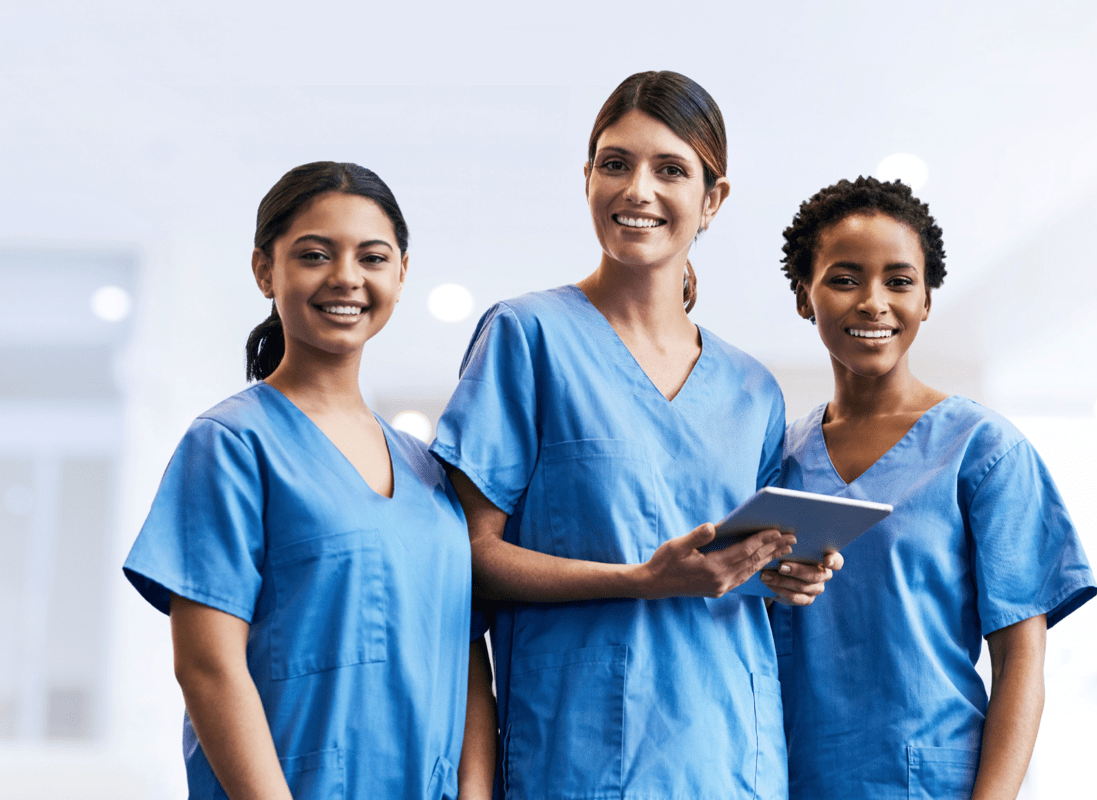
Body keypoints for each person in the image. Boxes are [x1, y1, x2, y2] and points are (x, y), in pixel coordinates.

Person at [430, 71, 839, 800]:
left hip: (731, 759)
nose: (637, 190)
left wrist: (786, 573)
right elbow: (463, 559)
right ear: (586, 177)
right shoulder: (528, 338)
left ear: (712, 200)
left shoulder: (753, 390)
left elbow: (749, 572)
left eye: (671, 169)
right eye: (615, 164)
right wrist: (640, 581)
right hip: (577, 759)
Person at [123, 161, 496, 800]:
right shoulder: (231, 445)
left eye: (372, 257)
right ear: (266, 270)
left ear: (401, 274)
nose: (346, 278)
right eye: (316, 255)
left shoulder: (429, 473)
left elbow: (463, 660)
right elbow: (208, 667)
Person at [768, 176, 1097, 800]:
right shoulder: (781, 457)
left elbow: (1021, 661)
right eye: (844, 278)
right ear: (803, 296)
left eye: (899, 281)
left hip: (930, 783)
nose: (873, 302)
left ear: (925, 300)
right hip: (789, 777)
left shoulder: (982, 449)